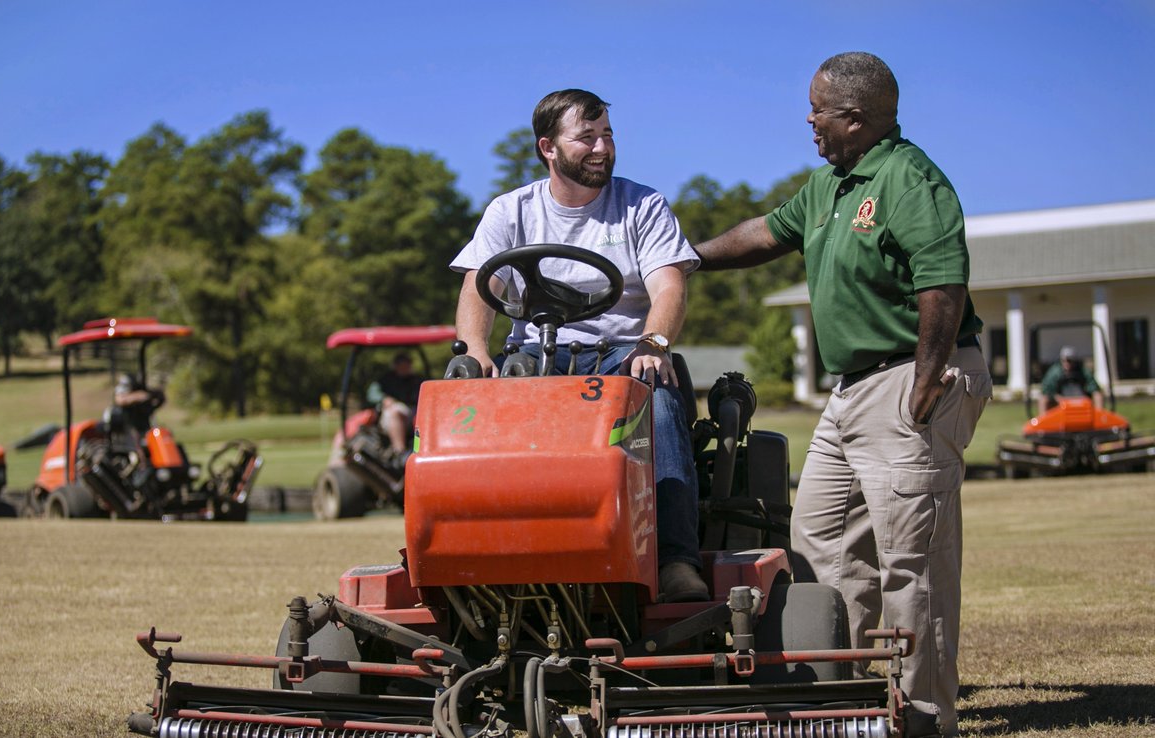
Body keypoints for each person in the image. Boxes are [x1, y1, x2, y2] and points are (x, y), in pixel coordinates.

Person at [692, 53, 992, 737]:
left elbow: (942, 281)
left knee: (911, 563)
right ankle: (846, 704)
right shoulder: (830, 185)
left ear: (854, 118)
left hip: (909, 377)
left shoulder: (909, 180)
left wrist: (925, 379)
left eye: (817, 107)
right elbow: (764, 233)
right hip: (852, 389)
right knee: (819, 539)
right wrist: (682, 254)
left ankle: (924, 719)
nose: (809, 118)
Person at [450, 88, 708, 603]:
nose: (602, 148)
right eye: (586, 137)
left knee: (654, 397)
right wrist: (474, 348)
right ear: (549, 147)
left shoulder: (643, 205)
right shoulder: (511, 210)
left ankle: (677, 558)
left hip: (621, 356)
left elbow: (670, 285)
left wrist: (653, 343)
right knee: (466, 405)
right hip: (532, 357)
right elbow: (480, 286)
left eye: (607, 135)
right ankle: (473, 551)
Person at [366, 352, 425, 457]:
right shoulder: (386, 380)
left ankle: (401, 452)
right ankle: (400, 452)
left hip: (413, 412)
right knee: (394, 413)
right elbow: (372, 394)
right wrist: (383, 399)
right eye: (401, 365)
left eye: (406, 365)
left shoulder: (417, 380)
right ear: (395, 366)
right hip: (389, 413)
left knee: (396, 412)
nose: (404, 368)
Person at [1037, 345, 1102, 414]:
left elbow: (1094, 388)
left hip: (1081, 400)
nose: (1067, 363)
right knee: (1043, 399)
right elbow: (1047, 390)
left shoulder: (1083, 371)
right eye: (1064, 360)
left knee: (1098, 395)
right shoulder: (1055, 372)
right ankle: (1043, 421)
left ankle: (1100, 416)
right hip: (1060, 401)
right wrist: (1058, 398)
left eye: (1069, 360)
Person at [111, 373, 163, 438]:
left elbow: (160, 397)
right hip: (128, 425)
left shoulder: (143, 386)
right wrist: (139, 396)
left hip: (144, 424)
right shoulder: (126, 382)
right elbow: (121, 400)